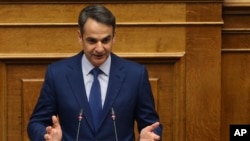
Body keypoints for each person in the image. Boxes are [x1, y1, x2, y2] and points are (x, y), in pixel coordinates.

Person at [27, 5, 162, 141]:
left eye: (105, 40)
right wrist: (46, 136)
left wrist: (150, 137)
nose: (99, 48)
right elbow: (37, 122)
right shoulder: (57, 74)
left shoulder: (135, 75)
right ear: (80, 37)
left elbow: (152, 125)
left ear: (114, 37)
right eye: (92, 41)